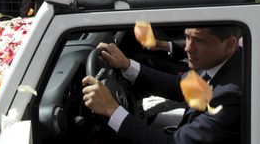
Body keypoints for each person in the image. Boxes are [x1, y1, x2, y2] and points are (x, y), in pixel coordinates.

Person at [81, 26, 243, 144]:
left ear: (229, 45)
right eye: (187, 36)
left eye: (199, 40)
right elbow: (179, 85)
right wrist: (126, 64)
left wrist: (111, 109)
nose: (187, 48)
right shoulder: (221, 63)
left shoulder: (230, 96)